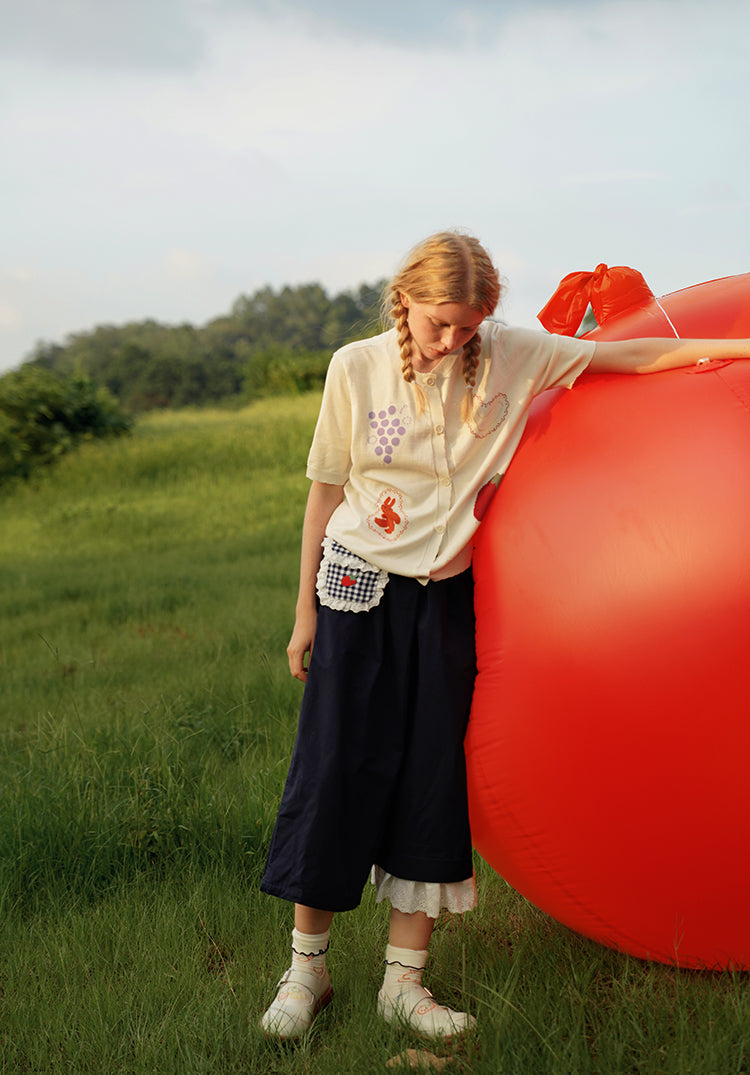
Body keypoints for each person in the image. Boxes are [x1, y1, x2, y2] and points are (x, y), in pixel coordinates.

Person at [259, 230, 750, 1041]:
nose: (452, 341)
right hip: (354, 589)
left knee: (430, 783)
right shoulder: (357, 367)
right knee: (336, 770)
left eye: (468, 325)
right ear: (405, 302)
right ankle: (304, 971)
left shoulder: (513, 356)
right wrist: (304, 611)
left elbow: (632, 359)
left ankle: (403, 984)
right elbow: (324, 496)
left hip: (444, 602)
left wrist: (735, 346)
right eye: (437, 323)